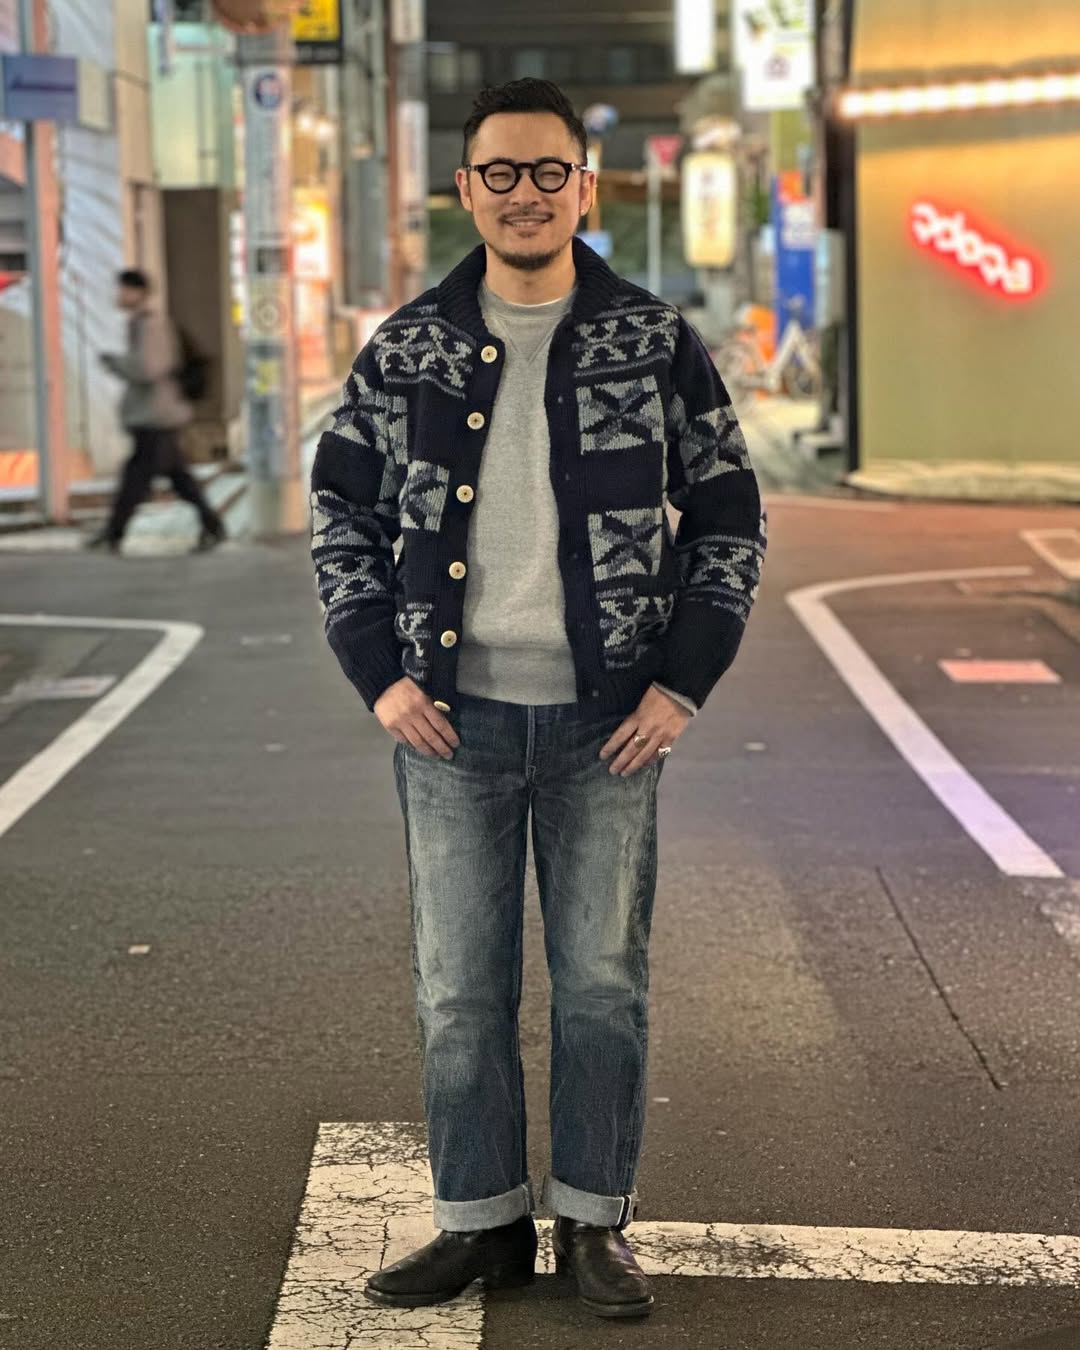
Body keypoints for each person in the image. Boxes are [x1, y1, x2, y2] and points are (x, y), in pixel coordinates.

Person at [310, 78, 766, 1320]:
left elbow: (729, 513)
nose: (525, 193)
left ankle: (596, 1223)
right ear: (464, 190)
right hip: (449, 726)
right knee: (459, 992)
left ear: (585, 184)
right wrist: (381, 675)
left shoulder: (652, 339)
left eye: (547, 171)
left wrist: (683, 681)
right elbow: (340, 516)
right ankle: (481, 1225)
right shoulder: (408, 347)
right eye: (500, 173)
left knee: (602, 986)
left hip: (605, 730)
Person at [89, 269, 224, 553]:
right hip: (156, 413)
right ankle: (212, 527)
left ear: (137, 292)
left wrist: (116, 363)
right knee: (178, 477)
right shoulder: (144, 323)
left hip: (155, 415)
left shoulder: (150, 324)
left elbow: (150, 367)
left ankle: (114, 534)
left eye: (124, 290)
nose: (120, 296)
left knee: (136, 477)